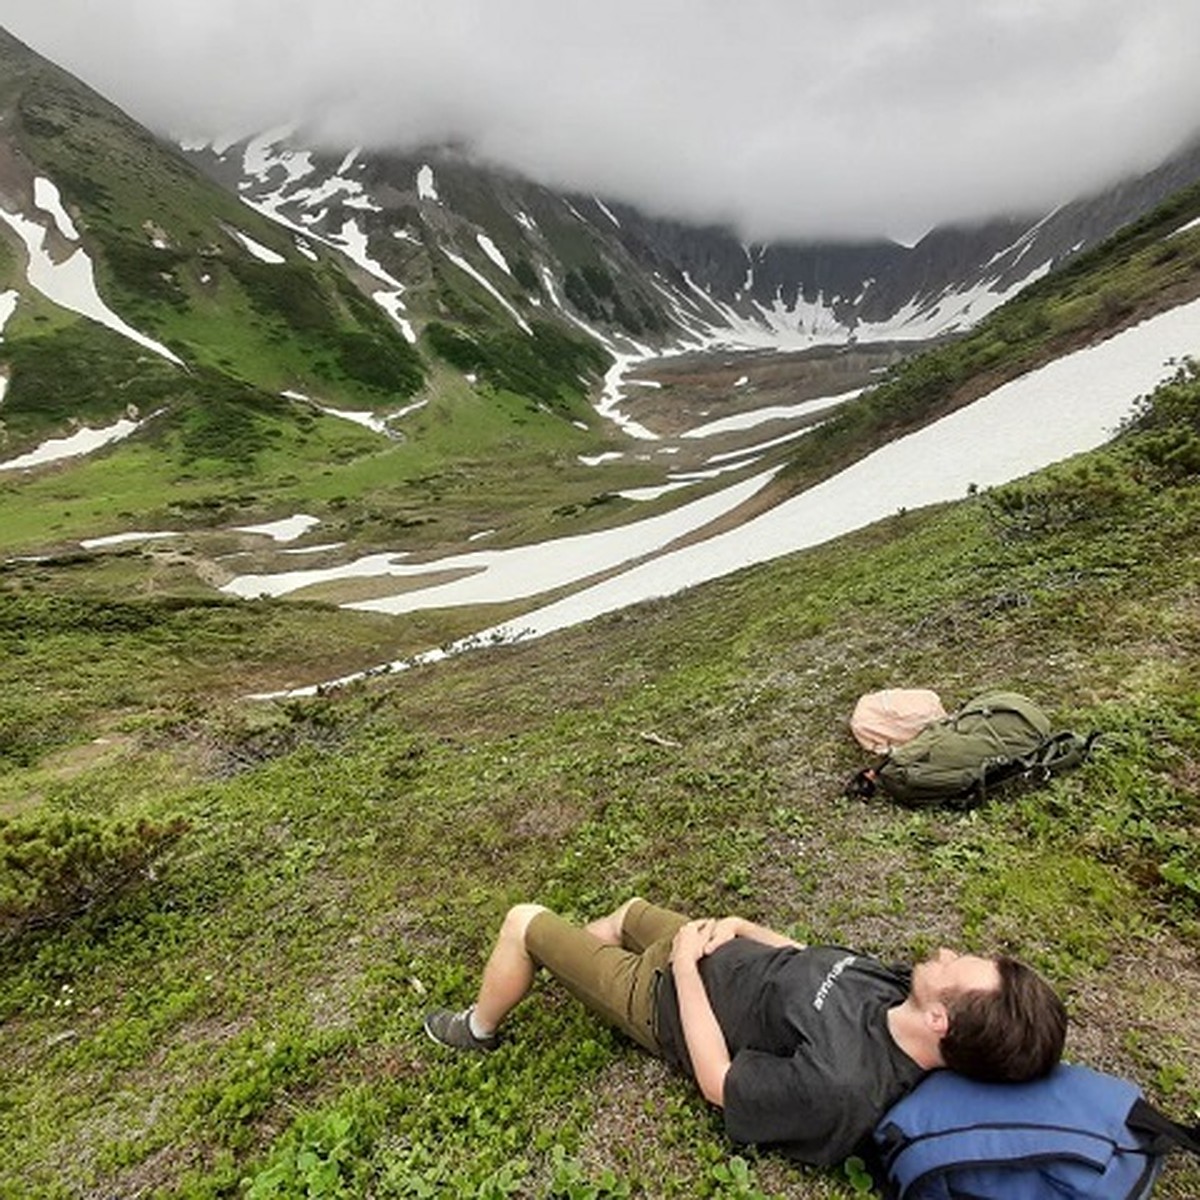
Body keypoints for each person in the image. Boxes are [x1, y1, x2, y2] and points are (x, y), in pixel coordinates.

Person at [423, 897, 1068, 1167]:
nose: (948, 952)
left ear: (941, 1021)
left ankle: (476, 1028)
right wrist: (737, 927)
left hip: (664, 1001)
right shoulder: (902, 990)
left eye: (959, 967)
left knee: (523, 918)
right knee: (624, 914)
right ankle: (567, 973)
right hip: (709, 950)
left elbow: (718, 1082)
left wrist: (681, 971)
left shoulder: (843, 1083)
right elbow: (810, 956)